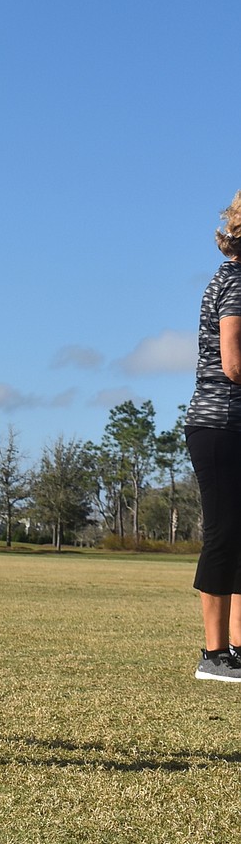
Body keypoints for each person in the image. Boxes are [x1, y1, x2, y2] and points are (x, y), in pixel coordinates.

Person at [185, 190, 241, 682]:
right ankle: (214, 655)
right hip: (222, 424)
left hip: (230, 425)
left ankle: (239, 650)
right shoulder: (238, 282)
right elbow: (234, 362)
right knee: (224, 534)